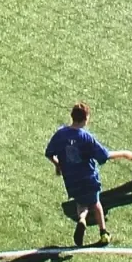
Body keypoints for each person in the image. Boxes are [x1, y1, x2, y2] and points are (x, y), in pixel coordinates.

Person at [45, 101, 116, 246]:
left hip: (71, 179)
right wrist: (122, 154)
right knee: (96, 203)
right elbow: (103, 155)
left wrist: (58, 164)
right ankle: (103, 232)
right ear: (86, 118)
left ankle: (82, 219)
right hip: (88, 177)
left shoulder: (60, 134)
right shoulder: (86, 137)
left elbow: (49, 153)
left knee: (81, 203)